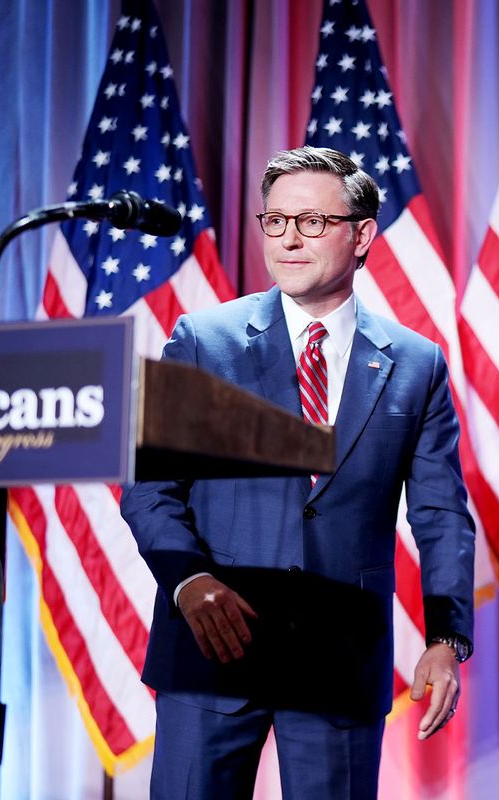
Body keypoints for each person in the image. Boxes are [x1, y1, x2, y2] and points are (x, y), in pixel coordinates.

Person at [121, 146, 475, 799]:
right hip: (213, 640)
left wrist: (446, 634)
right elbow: (150, 488)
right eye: (275, 222)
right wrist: (187, 577)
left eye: (311, 222)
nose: (288, 239)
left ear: (361, 234)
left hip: (337, 652)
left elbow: (441, 512)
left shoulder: (416, 364)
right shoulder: (203, 340)